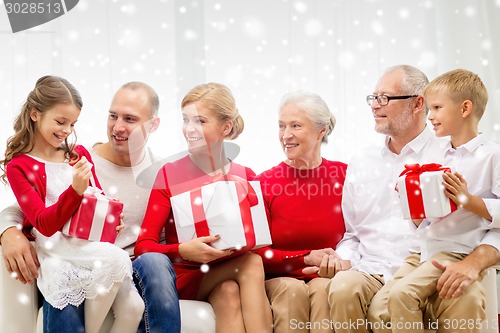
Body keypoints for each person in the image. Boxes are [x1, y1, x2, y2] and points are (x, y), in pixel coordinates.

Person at [325, 64, 500, 333]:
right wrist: (343, 259)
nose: (374, 106)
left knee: (463, 296)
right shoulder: (362, 161)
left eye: (384, 98)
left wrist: (473, 262)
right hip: (375, 268)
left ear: (418, 104)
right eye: (373, 98)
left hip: (435, 260)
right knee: (346, 289)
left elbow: (482, 221)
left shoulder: (449, 152)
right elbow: (353, 233)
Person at [0, 81, 181, 333]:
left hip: (124, 261)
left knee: (146, 279)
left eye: (129, 119)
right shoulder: (82, 157)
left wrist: (111, 216)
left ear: (153, 125)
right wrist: (7, 232)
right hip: (68, 251)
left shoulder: (162, 173)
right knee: (68, 277)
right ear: (35, 114)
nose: (118, 127)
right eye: (112, 116)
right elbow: (25, 211)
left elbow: (100, 199)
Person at [134, 82, 273, 333]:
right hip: (184, 275)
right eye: (185, 120)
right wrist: (183, 251)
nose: (189, 129)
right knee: (251, 264)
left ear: (226, 127)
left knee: (229, 292)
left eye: (199, 121)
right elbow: (143, 246)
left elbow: (261, 243)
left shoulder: (246, 177)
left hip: (223, 274)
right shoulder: (169, 174)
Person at [378, 69, 500, 333]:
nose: (429, 116)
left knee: (402, 296)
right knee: (379, 309)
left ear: (465, 108)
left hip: (456, 250)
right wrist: (413, 201)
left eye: (436, 108)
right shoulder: (437, 151)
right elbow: (428, 218)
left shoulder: (492, 155)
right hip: (423, 250)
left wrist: (468, 200)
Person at [253, 91, 347, 333]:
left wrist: (343, 263)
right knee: (291, 291)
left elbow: (364, 235)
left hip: (328, 277)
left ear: (321, 131)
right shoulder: (263, 183)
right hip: (281, 280)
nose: (286, 135)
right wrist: (305, 258)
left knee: (323, 288)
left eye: (296, 126)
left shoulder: (345, 176)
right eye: (282, 126)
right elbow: (257, 254)